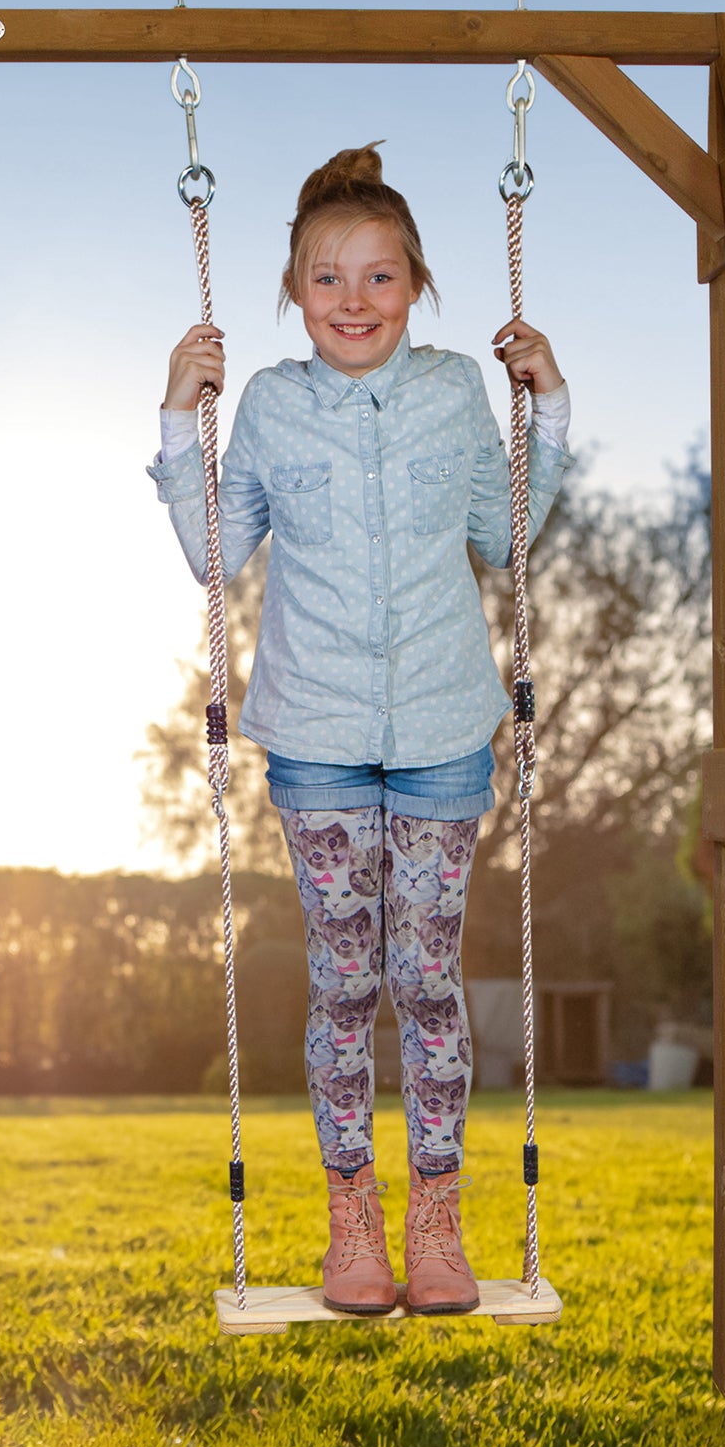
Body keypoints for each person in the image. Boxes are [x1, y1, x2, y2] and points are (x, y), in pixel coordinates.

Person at [152, 143, 567, 1317]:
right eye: (326, 279)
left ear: (417, 285)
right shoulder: (272, 406)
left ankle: (439, 1222)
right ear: (293, 293)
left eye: (378, 277)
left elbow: (509, 535)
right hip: (318, 735)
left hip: (442, 727)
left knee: (426, 980)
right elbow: (212, 551)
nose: (352, 301)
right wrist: (181, 418)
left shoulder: (451, 388)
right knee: (344, 985)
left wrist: (550, 402)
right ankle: (355, 1225)